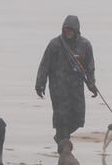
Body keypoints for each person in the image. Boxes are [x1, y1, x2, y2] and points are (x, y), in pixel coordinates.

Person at [35, 15, 98, 144]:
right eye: (66, 30)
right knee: (62, 117)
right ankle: (64, 144)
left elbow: (89, 67)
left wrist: (91, 84)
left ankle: (61, 137)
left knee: (78, 117)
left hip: (76, 87)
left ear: (76, 30)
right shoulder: (55, 44)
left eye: (70, 30)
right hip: (58, 87)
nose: (68, 32)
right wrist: (40, 84)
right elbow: (44, 65)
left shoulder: (85, 45)